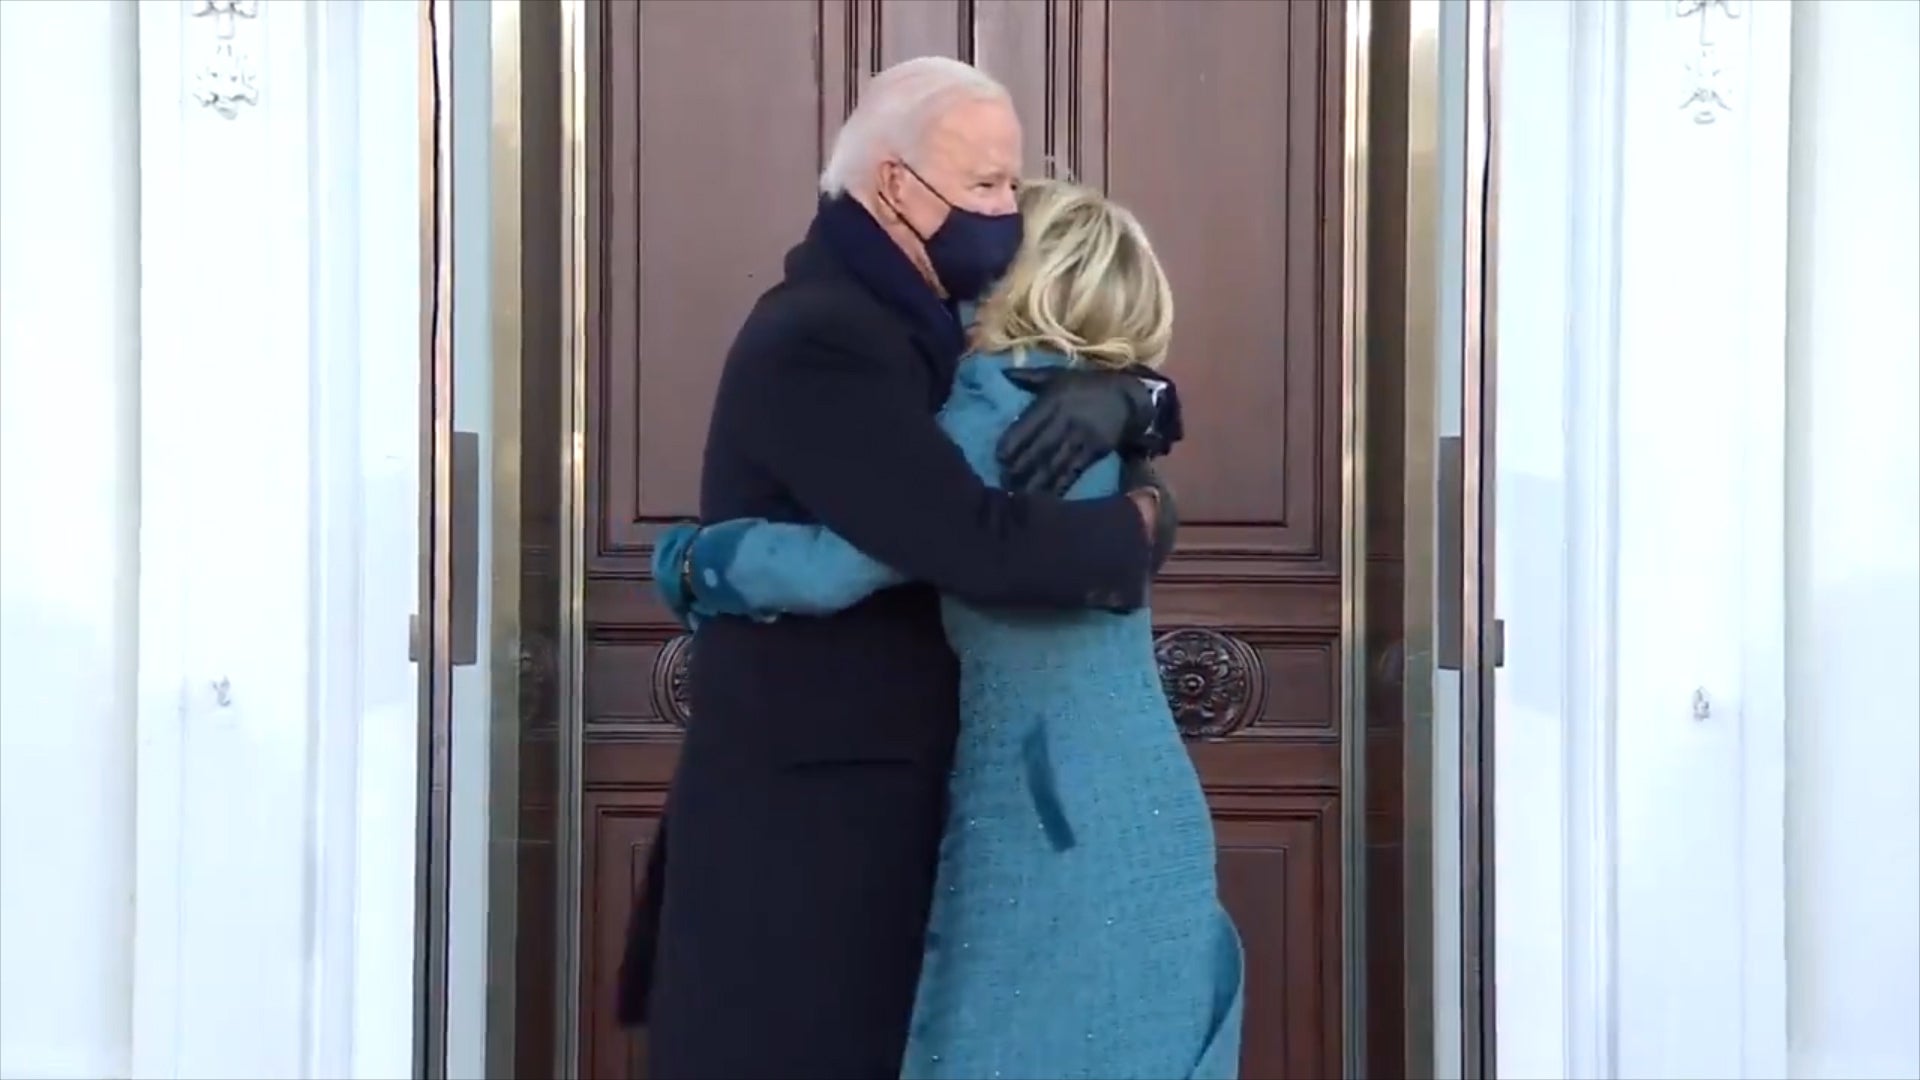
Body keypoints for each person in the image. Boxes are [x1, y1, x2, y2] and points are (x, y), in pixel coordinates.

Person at [617, 58, 1186, 1079]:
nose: (1004, 212)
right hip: (812, 833)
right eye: (985, 185)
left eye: (1011, 188)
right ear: (893, 185)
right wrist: (1138, 528)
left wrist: (1137, 400)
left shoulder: (927, 325)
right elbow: (960, 538)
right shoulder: (827, 334)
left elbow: (1060, 360)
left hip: (921, 813)